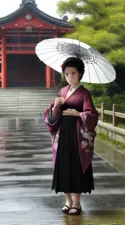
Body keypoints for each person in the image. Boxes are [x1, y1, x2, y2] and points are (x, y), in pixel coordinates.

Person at [44, 57, 99, 215]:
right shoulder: (62, 91)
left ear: (80, 74)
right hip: (62, 134)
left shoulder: (84, 93)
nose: (69, 77)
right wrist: (55, 107)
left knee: (76, 167)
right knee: (63, 166)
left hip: (77, 135)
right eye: (66, 73)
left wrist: (78, 113)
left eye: (73, 73)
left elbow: (92, 115)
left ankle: (76, 202)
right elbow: (53, 115)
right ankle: (67, 200)